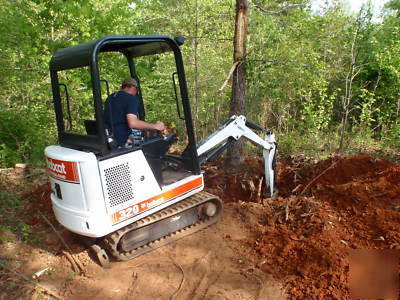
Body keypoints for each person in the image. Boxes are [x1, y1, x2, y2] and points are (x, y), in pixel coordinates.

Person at [103, 78, 165, 147]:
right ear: (133, 87)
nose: (136, 92)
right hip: (121, 142)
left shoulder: (110, 97)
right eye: (137, 89)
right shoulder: (131, 98)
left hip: (107, 138)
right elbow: (133, 123)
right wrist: (155, 126)